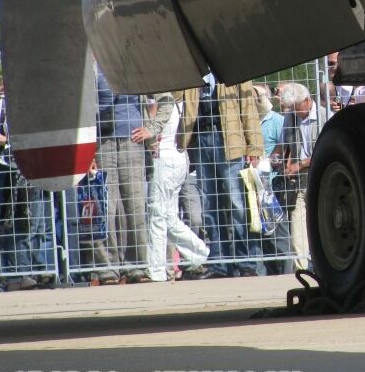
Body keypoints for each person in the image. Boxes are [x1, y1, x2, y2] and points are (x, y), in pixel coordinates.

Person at [179, 75, 265, 278]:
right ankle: (219, 264)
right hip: (201, 139)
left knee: (237, 204)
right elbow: (178, 96)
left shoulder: (231, 67)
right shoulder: (193, 69)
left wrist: (254, 146)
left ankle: (247, 263)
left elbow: (248, 107)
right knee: (210, 205)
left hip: (229, 140)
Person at [0, 80, 57, 290]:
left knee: (39, 224)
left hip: (38, 168)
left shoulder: (38, 103)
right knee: (23, 223)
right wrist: (10, 141)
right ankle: (23, 273)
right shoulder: (5, 104)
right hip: (15, 171)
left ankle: (37, 269)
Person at [133, 92, 209, 282]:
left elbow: (155, 125)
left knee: (157, 216)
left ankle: (157, 271)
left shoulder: (164, 98)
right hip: (176, 160)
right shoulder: (172, 98)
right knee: (169, 218)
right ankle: (200, 253)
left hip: (165, 161)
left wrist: (149, 129)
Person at [95, 66, 148, 282]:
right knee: (106, 207)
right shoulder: (91, 68)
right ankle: (108, 267)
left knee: (134, 206)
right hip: (103, 143)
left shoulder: (136, 65)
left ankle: (136, 266)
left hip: (132, 142)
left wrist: (152, 127)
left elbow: (165, 99)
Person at [275, 82, 329, 271]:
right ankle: (302, 269)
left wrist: (300, 164)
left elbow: (327, 152)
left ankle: (323, 265)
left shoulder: (325, 116)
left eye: (298, 108)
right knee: (297, 225)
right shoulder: (290, 117)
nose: (296, 113)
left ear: (307, 100)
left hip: (321, 178)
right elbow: (284, 145)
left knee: (323, 223)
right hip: (298, 182)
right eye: (293, 109)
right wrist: (277, 159)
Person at [254, 83, 290, 274]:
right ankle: (264, 273)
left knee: (278, 230)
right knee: (258, 232)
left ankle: (286, 271)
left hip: (272, 183)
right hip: (251, 183)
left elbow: (282, 152)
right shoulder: (248, 121)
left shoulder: (277, 121)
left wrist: (264, 162)